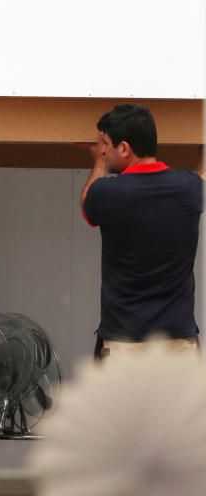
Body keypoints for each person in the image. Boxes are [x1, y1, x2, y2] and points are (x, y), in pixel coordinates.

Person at [80, 103, 204, 362]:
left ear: (124, 148)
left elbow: (87, 202)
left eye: (105, 144)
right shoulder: (190, 190)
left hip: (123, 345)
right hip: (177, 343)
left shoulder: (107, 193)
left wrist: (98, 163)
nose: (102, 150)